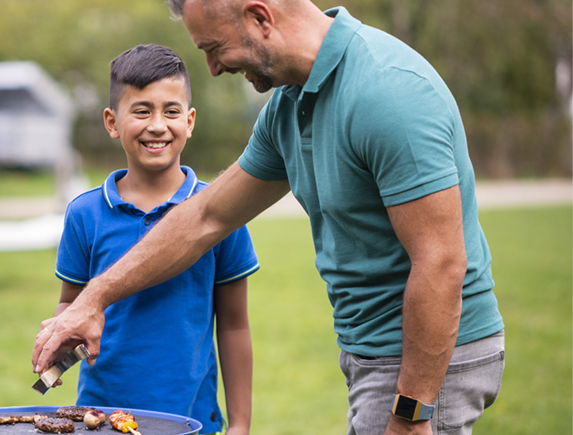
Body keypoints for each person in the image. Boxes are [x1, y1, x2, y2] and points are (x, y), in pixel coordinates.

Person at [33, 2, 506, 434]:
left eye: (214, 49)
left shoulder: (387, 91)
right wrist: (92, 298)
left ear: (261, 18)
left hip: (426, 357)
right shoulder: (290, 106)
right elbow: (206, 217)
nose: (214, 68)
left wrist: (412, 411)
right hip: (374, 351)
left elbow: (442, 261)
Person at [45, 44, 258, 434]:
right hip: (100, 421)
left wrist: (240, 424)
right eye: (141, 111)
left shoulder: (222, 212)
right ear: (112, 122)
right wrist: (57, 339)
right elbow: (71, 304)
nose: (157, 125)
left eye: (171, 111)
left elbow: (233, 325)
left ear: (190, 121)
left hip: (192, 421)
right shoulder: (84, 214)